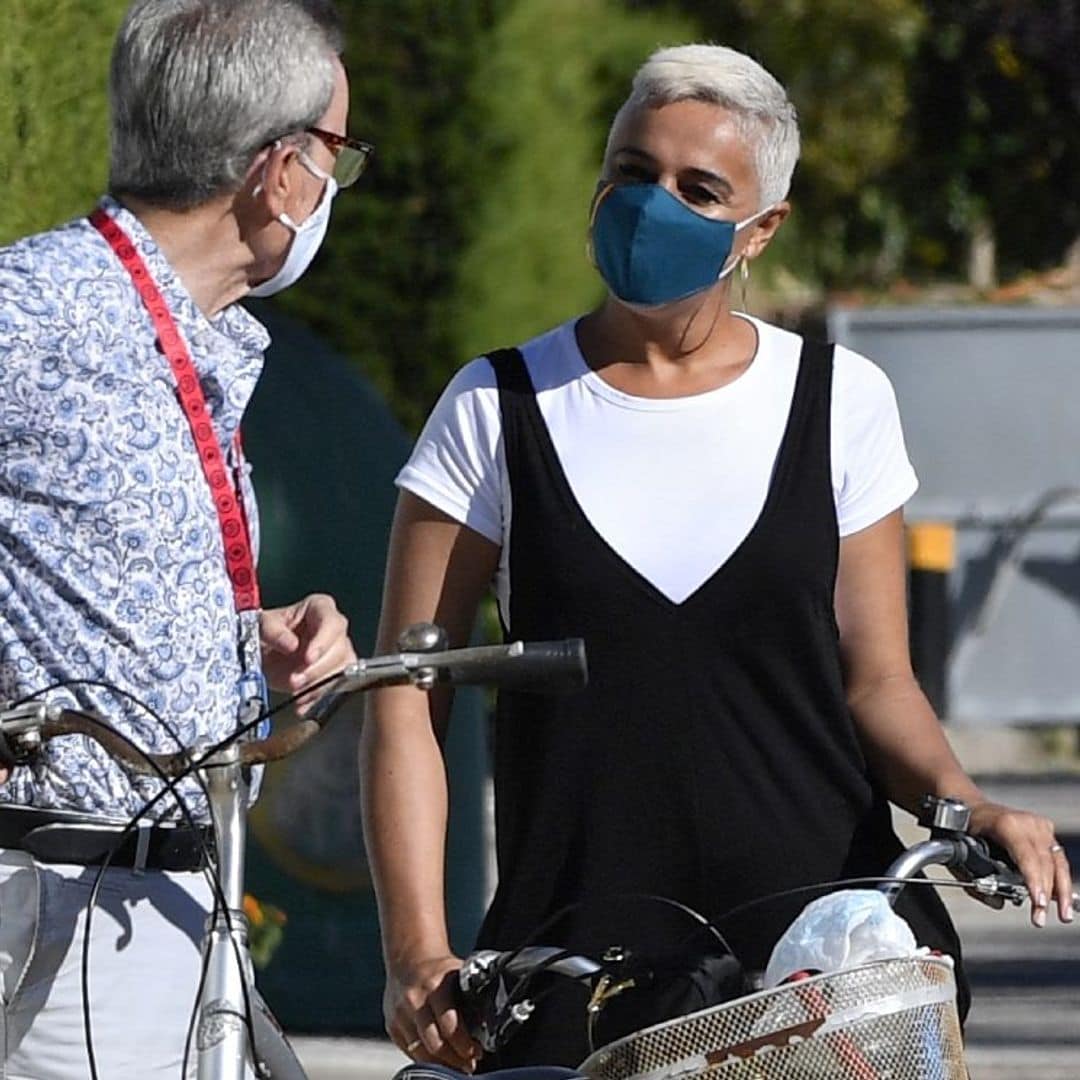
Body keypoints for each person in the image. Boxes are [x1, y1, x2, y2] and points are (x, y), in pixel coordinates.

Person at [360, 43, 1076, 1072]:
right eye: (633, 172)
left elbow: (877, 681)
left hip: (820, 975)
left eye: (700, 190)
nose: (654, 206)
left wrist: (968, 807)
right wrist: (415, 949)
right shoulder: (495, 409)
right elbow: (405, 695)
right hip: (576, 969)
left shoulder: (839, 402)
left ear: (760, 230)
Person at [0, 0, 374, 1075]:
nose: (332, 191)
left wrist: (236, 639)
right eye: (339, 154)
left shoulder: (195, 341)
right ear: (283, 172)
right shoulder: (33, 313)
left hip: (178, 898)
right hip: (54, 921)